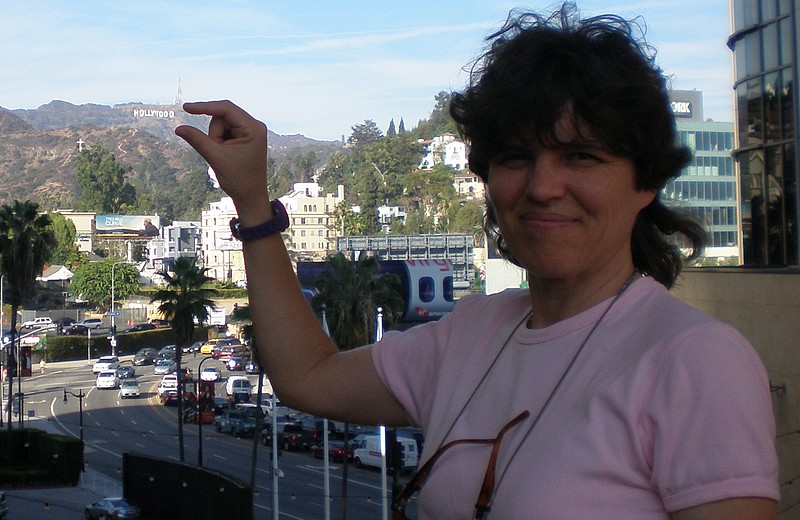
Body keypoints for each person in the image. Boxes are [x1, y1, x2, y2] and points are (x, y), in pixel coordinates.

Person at [175, 3, 779, 518]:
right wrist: (252, 203)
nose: (542, 187)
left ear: (645, 180)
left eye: (582, 157)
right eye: (516, 157)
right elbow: (307, 375)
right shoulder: (474, 332)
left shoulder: (695, 361)